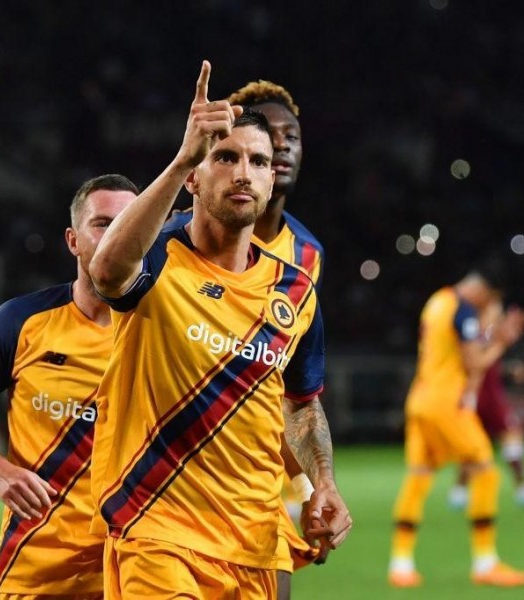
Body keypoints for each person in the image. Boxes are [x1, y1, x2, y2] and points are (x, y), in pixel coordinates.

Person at [88, 61, 352, 599]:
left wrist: (321, 482)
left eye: (258, 161)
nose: (243, 172)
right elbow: (107, 272)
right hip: (157, 527)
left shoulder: (295, 286)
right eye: (224, 157)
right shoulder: (158, 254)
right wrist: (185, 151)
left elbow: (301, 404)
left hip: (256, 538)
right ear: (194, 177)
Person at [0, 174, 138, 599]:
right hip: (36, 569)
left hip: (138, 572)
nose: (116, 235)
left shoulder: (166, 331)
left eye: (130, 223)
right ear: (72, 240)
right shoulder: (21, 322)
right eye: (102, 223)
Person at [166, 79, 327, 597]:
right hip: (168, 479)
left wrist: (309, 484)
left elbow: (285, 383)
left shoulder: (306, 256)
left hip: (254, 482)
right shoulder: (173, 239)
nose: (281, 147)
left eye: (291, 137)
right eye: (268, 137)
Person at [388, 267, 524, 588]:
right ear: (483, 292)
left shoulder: (437, 300)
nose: (487, 307)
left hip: (419, 398)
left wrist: (490, 336)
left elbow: (456, 347)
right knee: (485, 470)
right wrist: (502, 343)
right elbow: (475, 363)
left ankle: (400, 564)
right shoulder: (462, 309)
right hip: (445, 403)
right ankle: (485, 562)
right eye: (490, 301)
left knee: (418, 477)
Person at [448, 303, 524, 511]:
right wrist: (503, 342)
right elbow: (477, 363)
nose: (498, 317)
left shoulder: (485, 336)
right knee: (478, 446)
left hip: (490, 395)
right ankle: (463, 493)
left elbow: (489, 364)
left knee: (508, 436)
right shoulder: (472, 336)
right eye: (495, 313)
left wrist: (508, 368)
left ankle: (461, 493)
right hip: (478, 397)